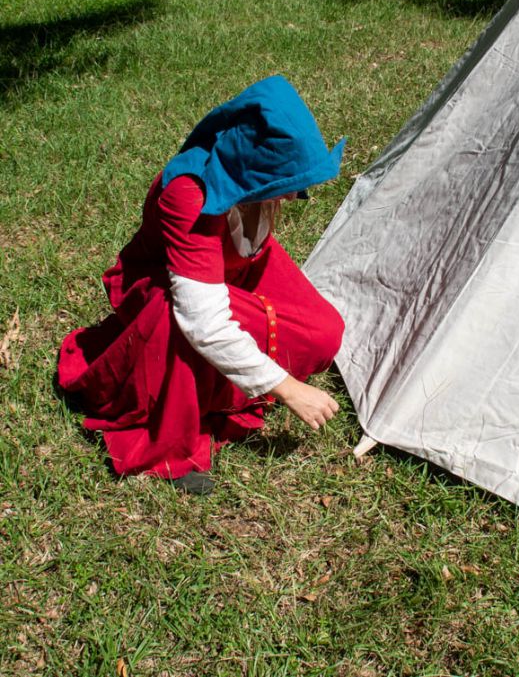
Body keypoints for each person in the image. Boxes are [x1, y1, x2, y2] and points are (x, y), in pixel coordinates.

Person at [57, 75, 346, 494]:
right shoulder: (188, 196)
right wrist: (286, 389)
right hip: (165, 292)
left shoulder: (252, 185)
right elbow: (203, 320)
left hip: (232, 268)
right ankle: (167, 446)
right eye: (286, 184)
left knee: (322, 332)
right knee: (179, 321)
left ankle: (231, 384)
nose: (291, 196)